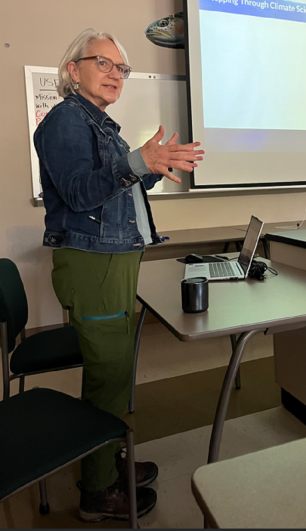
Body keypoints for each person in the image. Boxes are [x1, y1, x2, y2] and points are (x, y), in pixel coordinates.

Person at [34, 29, 204, 522]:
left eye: (121, 69)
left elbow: (114, 190)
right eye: (103, 64)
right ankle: (99, 489)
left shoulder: (102, 124)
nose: (115, 75)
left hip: (110, 258)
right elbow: (82, 193)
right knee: (109, 374)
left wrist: (150, 167)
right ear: (74, 70)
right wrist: (138, 162)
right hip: (95, 263)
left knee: (113, 368)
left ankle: (107, 457)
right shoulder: (66, 120)